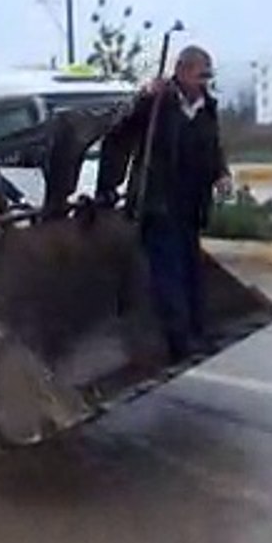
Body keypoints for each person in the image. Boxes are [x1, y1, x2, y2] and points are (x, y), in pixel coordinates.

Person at [95, 45, 232, 361]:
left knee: (191, 270)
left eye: (208, 76)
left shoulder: (206, 107)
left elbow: (213, 148)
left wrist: (221, 174)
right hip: (159, 204)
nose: (205, 82)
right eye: (200, 75)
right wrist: (142, 98)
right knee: (168, 273)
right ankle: (179, 341)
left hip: (191, 205)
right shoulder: (156, 104)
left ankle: (198, 331)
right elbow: (117, 135)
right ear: (182, 72)